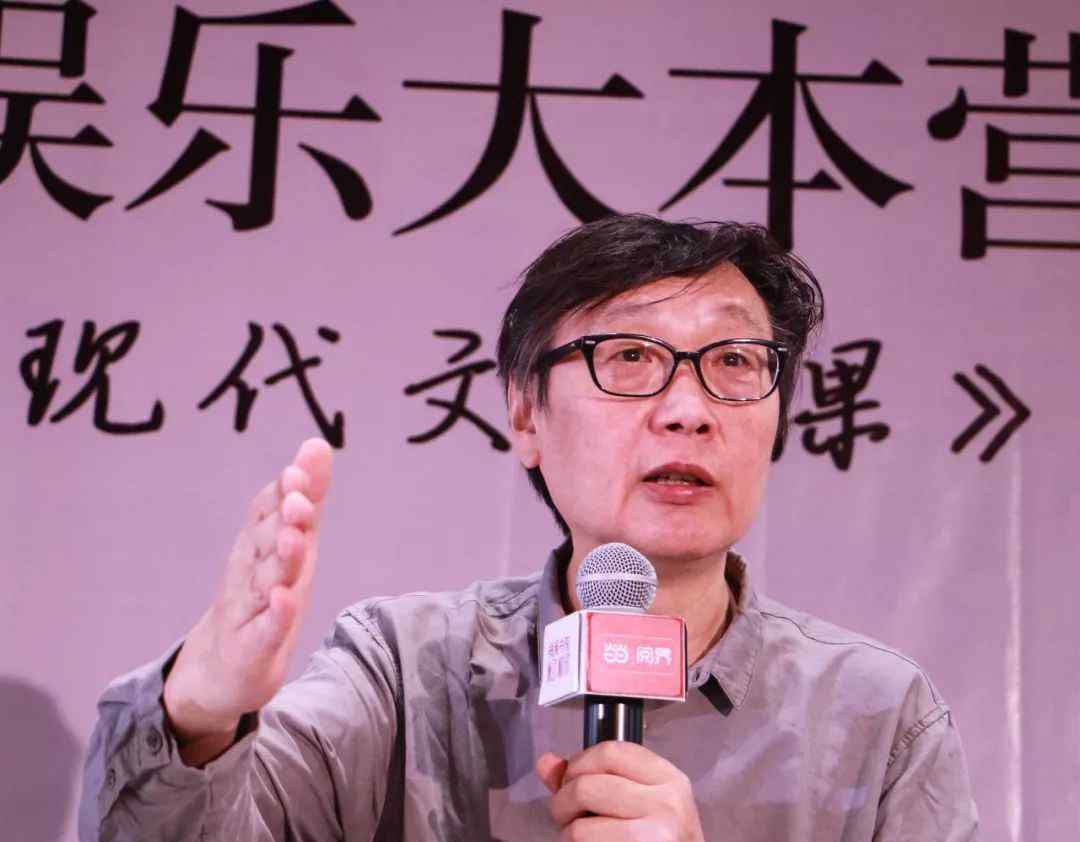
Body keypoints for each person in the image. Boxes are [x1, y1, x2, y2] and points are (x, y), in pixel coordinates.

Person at [79, 214, 978, 841]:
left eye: (735, 362)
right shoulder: (403, 671)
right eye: (631, 356)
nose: (689, 409)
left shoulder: (877, 717)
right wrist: (198, 714)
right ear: (524, 414)